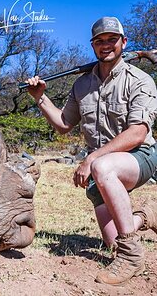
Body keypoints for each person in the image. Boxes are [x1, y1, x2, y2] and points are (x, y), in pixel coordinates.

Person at [26, 16, 157, 285]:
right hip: (102, 170)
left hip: (139, 156)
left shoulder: (140, 80)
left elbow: (138, 133)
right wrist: (40, 97)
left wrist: (93, 157)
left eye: (112, 39)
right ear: (93, 45)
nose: (106, 45)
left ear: (124, 42)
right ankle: (147, 216)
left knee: (102, 167)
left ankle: (131, 256)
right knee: (113, 241)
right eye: (99, 41)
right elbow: (64, 124)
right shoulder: (82, 84)